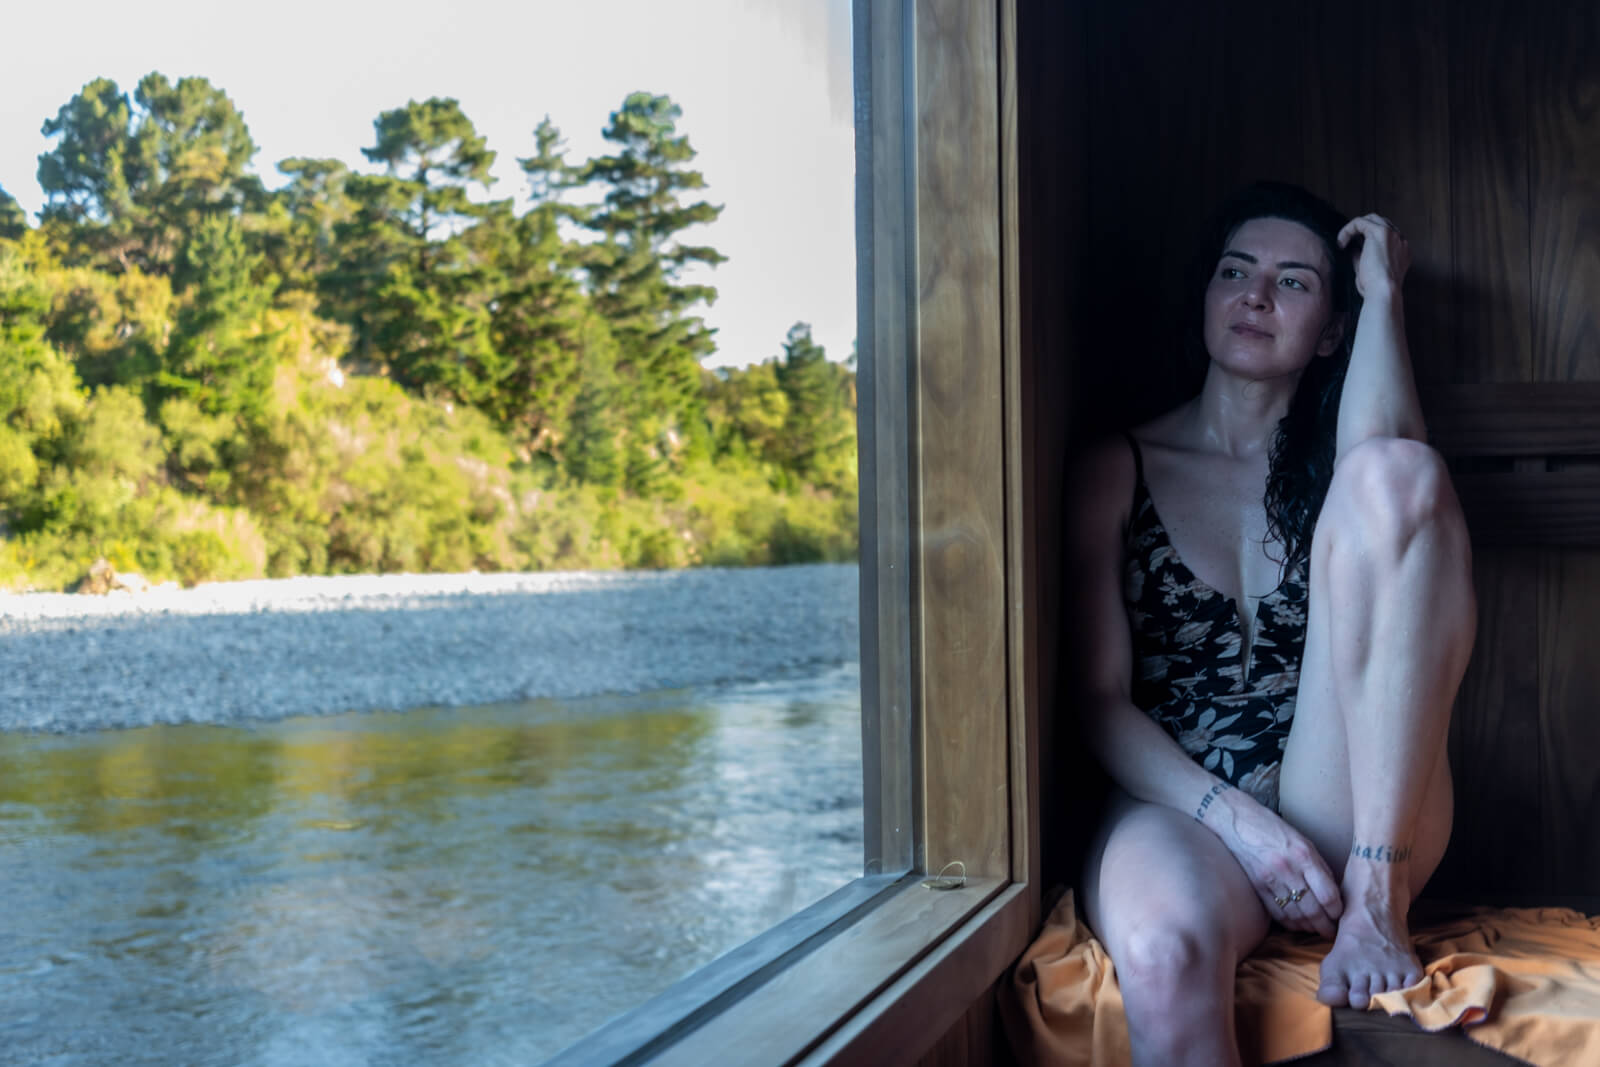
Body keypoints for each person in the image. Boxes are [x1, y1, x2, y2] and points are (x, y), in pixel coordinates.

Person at [1067, 181, 1477, 1067]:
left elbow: (1400, 472)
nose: (1256, 295)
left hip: (1355, 801)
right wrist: (1242, 825)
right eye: (1235, 272)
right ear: (1207, 297)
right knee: (1163, 954)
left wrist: (1381, 295)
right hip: (1185, 802)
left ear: (1329, 332)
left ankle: (1375, 898)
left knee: (1396, 473)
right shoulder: (1117, 465)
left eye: (1294, 282)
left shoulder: (1341, 471)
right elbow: (1096, 701)